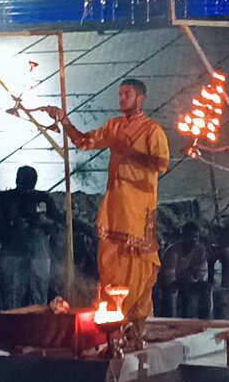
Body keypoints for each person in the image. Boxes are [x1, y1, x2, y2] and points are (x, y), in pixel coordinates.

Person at [46, 79, 168, 324]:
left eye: (127, 94)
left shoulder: (153, 130)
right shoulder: (114, 126)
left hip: (137, 210)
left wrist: (129, 152)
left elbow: (161, 164)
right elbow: (84, 142)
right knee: (109, 263)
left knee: (137, 266)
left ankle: (131, 323)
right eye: (120, 94)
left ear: (140, 98)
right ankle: (113, 320)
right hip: (114, 207)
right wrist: (64, 121)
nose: (122, 98)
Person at [0, 166, 60, 309]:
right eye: (24, 182)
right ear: (17, 180)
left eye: (30, 182)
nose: (27, 187)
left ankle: (38, 323)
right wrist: (13, 225)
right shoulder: (6, 199)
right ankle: (13, 324)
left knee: (39, 294)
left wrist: (43, 222)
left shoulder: (43, 198)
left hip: (39, 252)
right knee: (13, 294)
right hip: (14, 252)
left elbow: (55, 226)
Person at [157, 222, 211, 318]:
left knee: (206, 289)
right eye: (190, 237)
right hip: (171, 284)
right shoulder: (172, 251)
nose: (194, 240)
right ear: (183, 237)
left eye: (196, 237)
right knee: (172, 292)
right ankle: (171, 322)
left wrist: (198, 279)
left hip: (189, 282)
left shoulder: (200, 251)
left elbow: (201, 273)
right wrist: (182, 281)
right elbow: (169, 277)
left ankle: (206, 321)